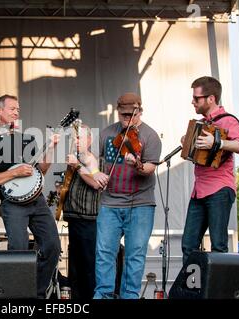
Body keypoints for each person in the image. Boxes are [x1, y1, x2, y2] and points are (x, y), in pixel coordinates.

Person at [0, 94, 61, 298]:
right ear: (0, 111)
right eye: (12, 108)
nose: (17, 111)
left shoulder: (28, 139)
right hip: (13, 204)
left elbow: (40, 170)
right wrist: (13, 173)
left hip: (37, 202)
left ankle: (37, 293)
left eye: (18, 108)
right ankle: (17, 296)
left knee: (52, 246)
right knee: (19, 250)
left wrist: (51, 148)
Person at [94, 92, 162, 299]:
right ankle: (103, 295)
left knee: (135, 255)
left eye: (131, 115)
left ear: (140, 111)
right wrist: (94, 172)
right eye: (123, 115)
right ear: (118, 111)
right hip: (110, 203)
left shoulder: (150, 136)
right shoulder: (107, 133)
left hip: (140, 204)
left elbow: (150, 168)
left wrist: (138, 165)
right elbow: (94, 161)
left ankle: (130, 296)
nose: (127, 119)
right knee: (104, 254)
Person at [181, 76, 239, 265]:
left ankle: (217, 292)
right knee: (188, 245)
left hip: (219, 189)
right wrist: (187, 143)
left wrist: (217, 142)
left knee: (218, 246)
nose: (193, 101)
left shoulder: (228, 121)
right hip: (199, 190)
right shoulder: (202, 123)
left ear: (211, 98)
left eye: (197, 98)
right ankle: (192, 291)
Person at [61, 123, 109, 299]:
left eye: (80, 137)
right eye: (74, 137)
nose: (76, 141)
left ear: (90, 139)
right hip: (73, 218)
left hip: (90, 220)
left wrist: (78, 168)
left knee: (89, 265)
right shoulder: (73, 159)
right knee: (74, 265)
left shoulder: (98, 161)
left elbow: (97, 183)